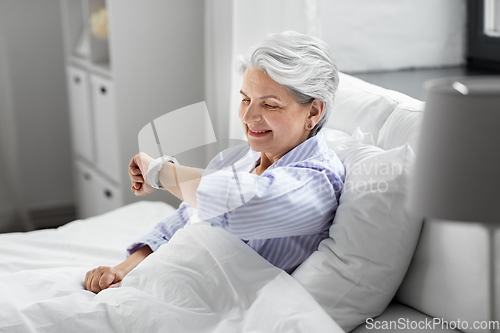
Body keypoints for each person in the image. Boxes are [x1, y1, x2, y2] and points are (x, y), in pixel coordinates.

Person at [84, 31, 345, 294]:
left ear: (313, 111)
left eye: (269, 105)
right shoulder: (240, 159)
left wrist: (160, 172)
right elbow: (183, 218)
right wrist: (122, 270)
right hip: (165, 283)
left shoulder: (317, 181)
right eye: (245, 99)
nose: (249, 116)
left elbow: (236, 206)